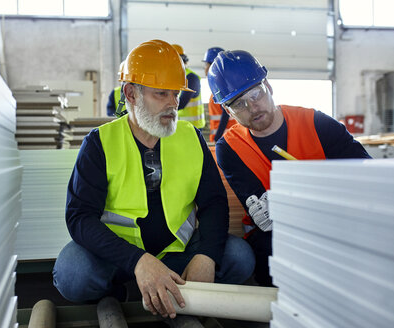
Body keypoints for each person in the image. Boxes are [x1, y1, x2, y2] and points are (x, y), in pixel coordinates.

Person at [53, 40, 255, 319]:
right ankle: (125, 290)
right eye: (161, 94)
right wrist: (138, 261)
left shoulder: (190, 137)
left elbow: (214, 202)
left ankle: (176, 284)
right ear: (131, 94)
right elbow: (79, 218)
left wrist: (206, 256)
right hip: (119, 257)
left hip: (178, 251)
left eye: (175, 94)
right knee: (72, 273)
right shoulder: (100, 143)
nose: (173, 104)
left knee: (239, 258)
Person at [207, 50, 372, 287]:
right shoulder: (230, 147)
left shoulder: (317, 123)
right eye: (238, 103)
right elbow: (264, 218)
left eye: (256, 94)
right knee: (268, 248)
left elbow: (366, 175)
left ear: (269, 86)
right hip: (277, 235)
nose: (252, 108)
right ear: (228, 111)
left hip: (336, 222)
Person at [203, 47, 236, 142]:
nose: (205, 69)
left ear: (213, 65)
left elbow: (225, 115)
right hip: (227, 137)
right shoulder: (224, 84)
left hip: (225, 138)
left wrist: (217, 138)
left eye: (206, 65)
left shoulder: (221, 86)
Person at [171, 44, 205, 129]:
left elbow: (181, 103)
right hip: (180, 126)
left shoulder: (191, 78)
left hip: (193, 127)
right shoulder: (173, 78)